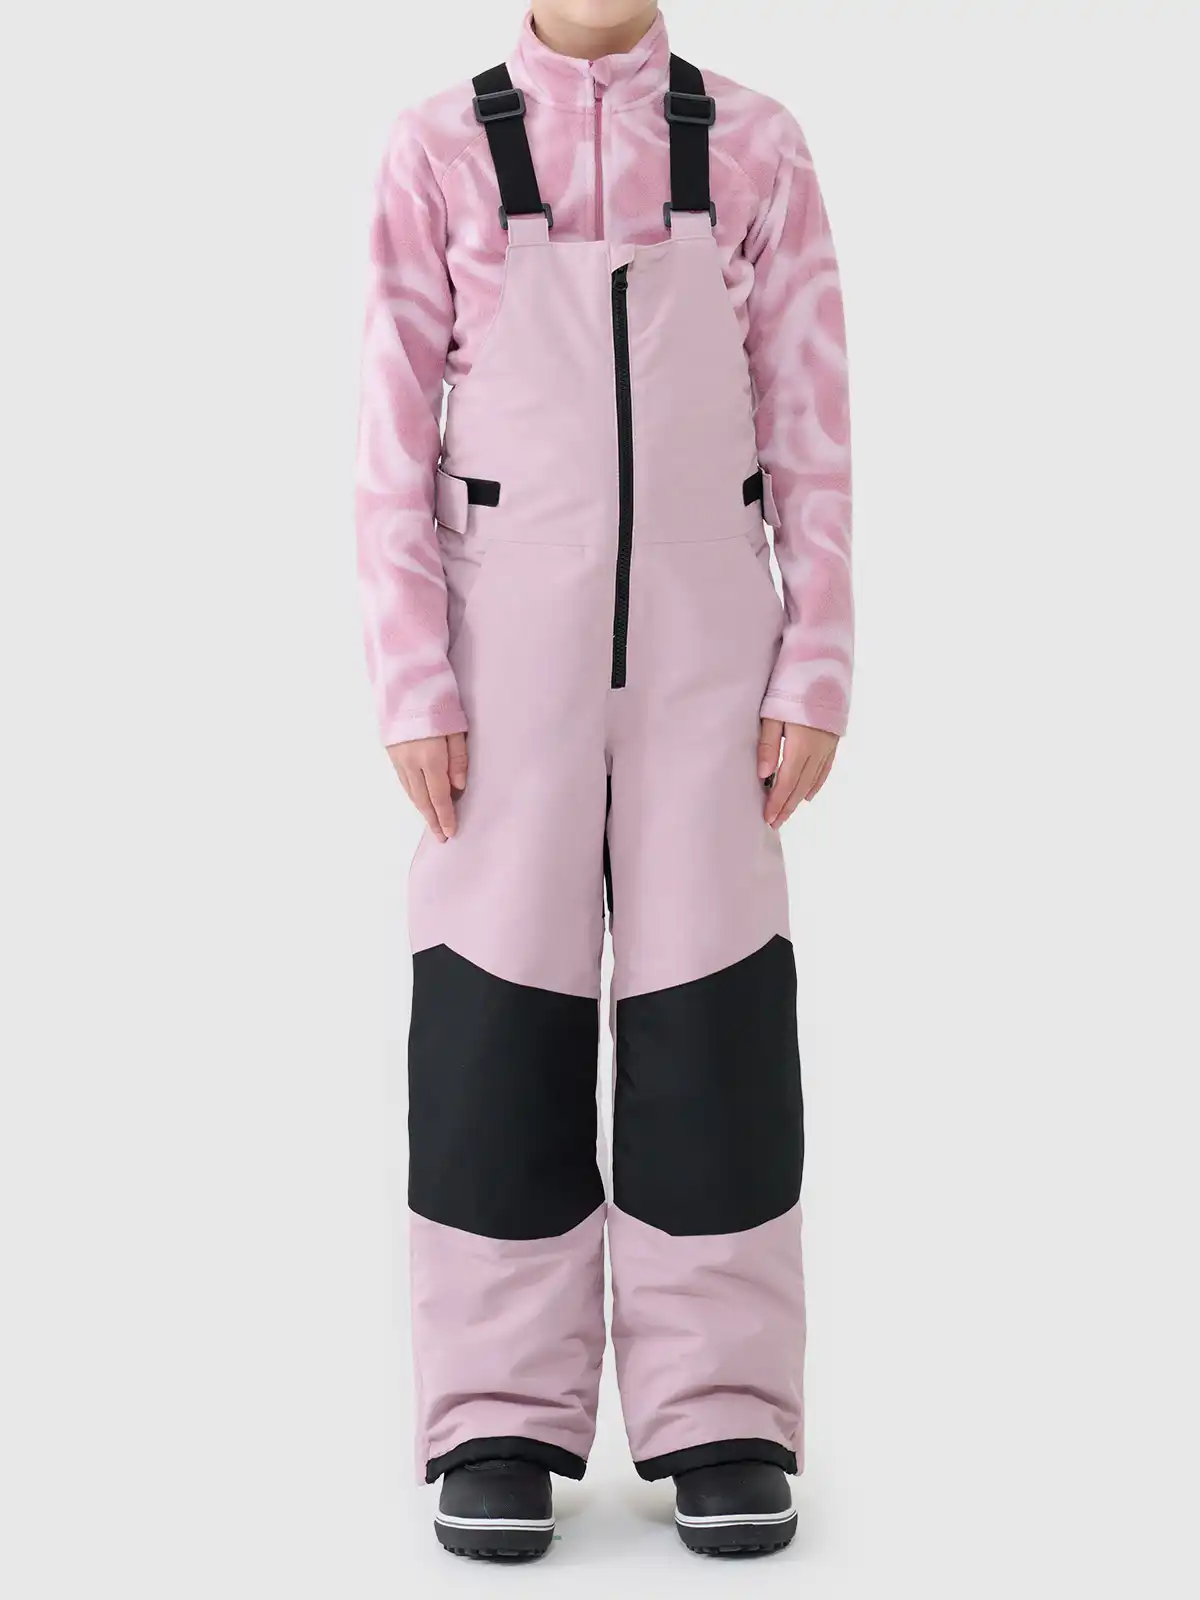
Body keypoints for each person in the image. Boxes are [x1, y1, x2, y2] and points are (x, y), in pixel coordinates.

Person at [355, 0, 852, 1562]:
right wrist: (412, 678)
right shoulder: (438, 150)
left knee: (716, 1019)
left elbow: (816, 431)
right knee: (496, 1015)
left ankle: (723, 1412)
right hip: (503, 669)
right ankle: (497, 1412)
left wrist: (817, 663)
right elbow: (386, 441)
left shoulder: (756, 146)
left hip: (714, 663)